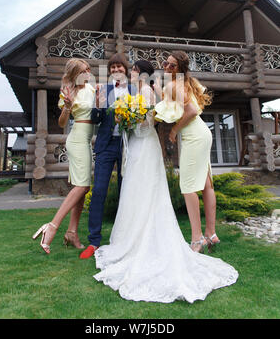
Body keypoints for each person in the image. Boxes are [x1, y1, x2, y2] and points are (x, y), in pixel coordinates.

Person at [93, 59, 238, 303]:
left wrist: (127, 119)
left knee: (152, 188)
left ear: (140, 73)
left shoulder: (148, 90)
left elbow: (150, 120)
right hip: (138, 145)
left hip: (146, 143)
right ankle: (197, 233)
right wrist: (124, 117)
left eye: (134, 71)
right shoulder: (141, 91)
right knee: (135, 190)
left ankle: (197, 235)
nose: (130, 74)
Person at [157, 51, 219, 253]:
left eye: (172, 66)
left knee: (188, 186)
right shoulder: (184, 83)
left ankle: (196, 239)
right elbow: (175, 107)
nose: (167, 67)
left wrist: (174, 130)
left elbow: (190, 111)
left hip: (194, 135)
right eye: (166, 63)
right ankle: (211, 233)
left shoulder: (174, 85)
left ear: (180, 69)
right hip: (202, 133)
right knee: (206, 183)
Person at [32, 58, 95, 254]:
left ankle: (72, 232)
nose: (88, 72)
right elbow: (61, 123)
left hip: (86, 141)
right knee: (82, 186)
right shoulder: (69, 92)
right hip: (76, 139)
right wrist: (67, 106)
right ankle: (52, 227)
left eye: (88, 69)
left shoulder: (92, 89)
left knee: (83, 188)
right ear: (76, 74)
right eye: (84, 70)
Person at [80, 53, 135, 259]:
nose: (115, 70)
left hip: (128, 145)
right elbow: (95, 120)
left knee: (126, 192)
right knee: (99, 192)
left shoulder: (135, 90)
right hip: (105, 145)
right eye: (112, 68)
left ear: (125, 70)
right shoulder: (102, 89)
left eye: (119, 67)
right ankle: (94, 240)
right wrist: (98, 104)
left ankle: (124, 238)